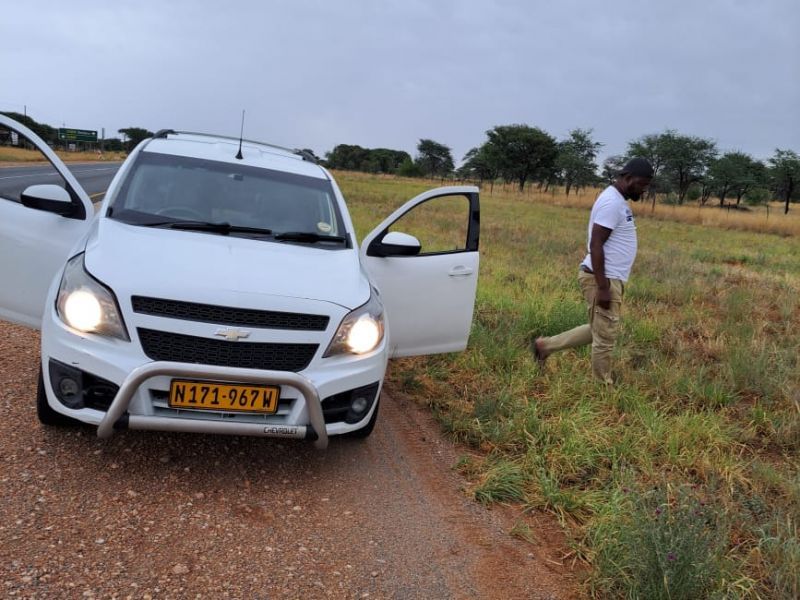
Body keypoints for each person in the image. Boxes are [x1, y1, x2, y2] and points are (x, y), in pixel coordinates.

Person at [532, 157, 654, 384]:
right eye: (642, 184)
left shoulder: (617, 200)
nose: (643, 190)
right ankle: (602, 387)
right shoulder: (612, 203)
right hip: (602, 278)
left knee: (600, 328)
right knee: (605, 336)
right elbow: (596, 244)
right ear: (628, 178)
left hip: (609, 276)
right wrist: (603, 287)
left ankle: (544, 346)